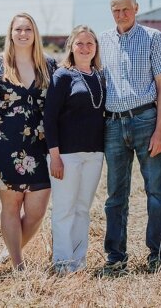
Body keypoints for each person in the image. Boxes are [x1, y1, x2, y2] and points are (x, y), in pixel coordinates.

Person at [98, 0, 161, 275]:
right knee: (115, 195)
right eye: (116, 10)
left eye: (126, 9)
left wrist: (160, 131)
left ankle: (156, 254)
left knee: (155, 191)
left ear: (136, 8)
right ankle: (115, 257)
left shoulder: (152, 38)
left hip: (145, 120)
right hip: (113, 124)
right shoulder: (102, 41)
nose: (121, 14)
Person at [0, 12, 57, 270]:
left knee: (36, 211)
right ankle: (18, 264)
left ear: (34, 33)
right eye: (18, 29)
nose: (23, 33)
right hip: (5, 142)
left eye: (28, 29)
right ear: (11, 33)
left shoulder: (48, 65)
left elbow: (58, 106)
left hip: (41, 144)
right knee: (12, 205)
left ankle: (8, 252)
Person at [44, 25, 105, 275]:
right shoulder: (62, 76)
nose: (85, 48)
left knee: (82, 208)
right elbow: (49, 117)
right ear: (71, 47)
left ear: (96, 48)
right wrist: (55, 156)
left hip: (94, 155)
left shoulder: (99, 76)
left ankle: (79, 262)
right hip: (66, 155)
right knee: (64, 209)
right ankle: (62, 263)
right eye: (79, 43)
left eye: (90, 43)